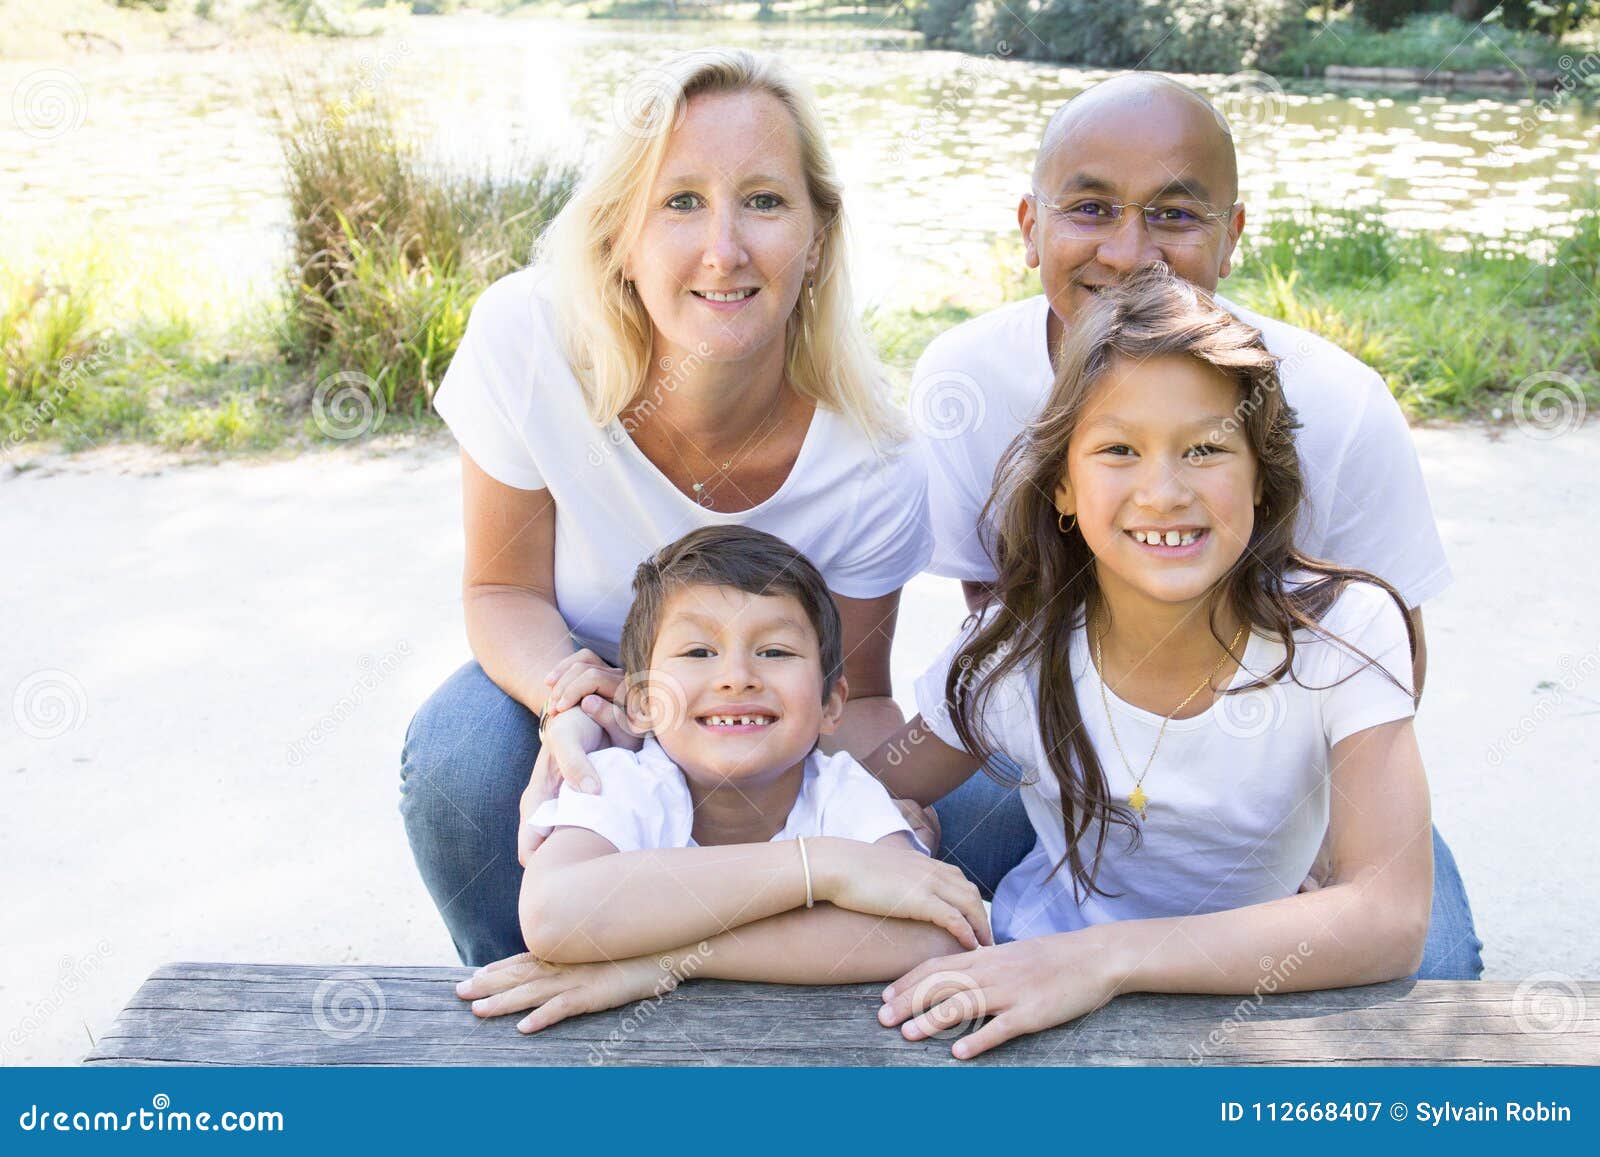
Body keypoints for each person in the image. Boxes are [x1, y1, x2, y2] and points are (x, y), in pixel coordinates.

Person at [913, 73, 1480, 980]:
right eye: (1091, 207)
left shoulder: (1337, 402)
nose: (1130, 251)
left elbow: (1390, 650)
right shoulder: (965, 380)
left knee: (1423, 974)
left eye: (1175, 215)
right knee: (910, 910)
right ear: (1030, 225)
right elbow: (991, 634)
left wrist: (1333, 853)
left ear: (1232, 235)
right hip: (1069, 753)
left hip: (1287, 780)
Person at [401, 48, 931, 969]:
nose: (723, 250)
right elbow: (498, 590)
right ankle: (517, 995)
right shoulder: (527, 341)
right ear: (619, 238)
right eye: (680, 201)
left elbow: (855, 696)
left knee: (992, 802)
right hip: (584, 672)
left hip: (761, 709)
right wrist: (578, 696)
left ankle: (768, 1009)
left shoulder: (875, 457)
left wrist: (891, 816)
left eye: (764, 201)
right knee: (460, 759)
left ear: (817, 239)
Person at [871, 268, 1433, 1060]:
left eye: (1205, 448)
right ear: (1064, 484)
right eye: (1119, 450)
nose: (1164, 491)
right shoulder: (1014, 648)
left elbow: (1390, 917)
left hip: (1243, 999)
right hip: (1019, 978)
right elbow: (867, 784)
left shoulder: (1340, 631)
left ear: (1261, 479)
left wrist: (1104, 961)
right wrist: (889, 838)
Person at [460, 527, 988, 1033]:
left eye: (776, 652)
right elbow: (554, 915)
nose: (737, 676)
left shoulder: (843, 790)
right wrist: (821, 866)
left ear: (831, 705)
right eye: (698, 653)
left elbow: (938, 934)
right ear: (642, 703)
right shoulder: (625, 781)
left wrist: (655, 966)